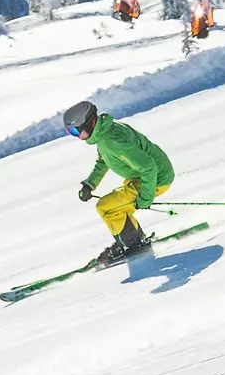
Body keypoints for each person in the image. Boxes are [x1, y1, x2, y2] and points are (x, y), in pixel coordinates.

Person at [65, 101, 176, 266]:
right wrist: (90, 184)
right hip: (146, 177)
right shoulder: (105, 134)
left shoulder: (112, 141)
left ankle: (133, 244)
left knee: (106, 207)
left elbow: (148, 167)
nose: (76, 136)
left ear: (91, 123)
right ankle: (131, 240)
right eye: (71, 132)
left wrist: (146, 197)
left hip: (155, 179)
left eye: (75, 131)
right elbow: (104, 161)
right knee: (113, 206)